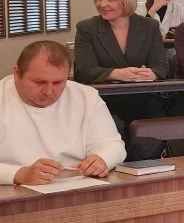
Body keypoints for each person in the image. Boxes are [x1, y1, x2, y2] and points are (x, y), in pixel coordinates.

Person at [0, 41, 126, 185]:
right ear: (17, 73)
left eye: (58, 83)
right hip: (13, 189)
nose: (48, 91)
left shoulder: (85, 97)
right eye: (39, 82)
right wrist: (19, 174)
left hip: (76, 184)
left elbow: (113, 145)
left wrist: (102, 158)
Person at [74, 0, 169, 126]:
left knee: (154, 122)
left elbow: (161, 66)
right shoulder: (86, 28)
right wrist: (118, 74)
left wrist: (152, 74)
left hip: (142, 97)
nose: (102, 4)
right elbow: (84, 70)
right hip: (102, 99)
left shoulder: (150, 26)